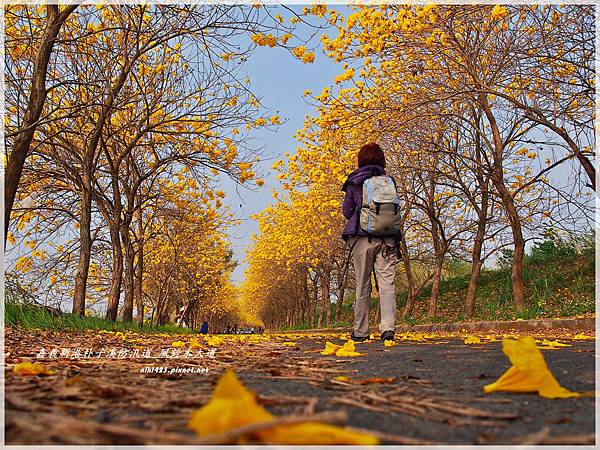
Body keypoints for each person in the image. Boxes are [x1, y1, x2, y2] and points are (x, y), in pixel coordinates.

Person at [341, 143, 399, 342]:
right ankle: (388, 328)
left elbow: (347, 211)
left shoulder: (355, 180)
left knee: (362, 284)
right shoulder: (389, 181)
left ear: (360, 160)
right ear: (382, 160)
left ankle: (361, 331)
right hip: (387, 238)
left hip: (362, 238)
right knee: (387, 285)